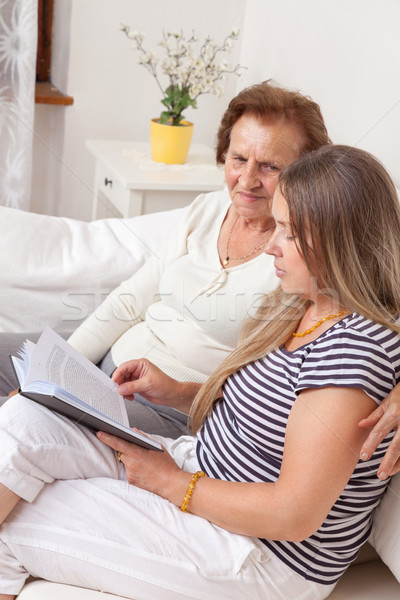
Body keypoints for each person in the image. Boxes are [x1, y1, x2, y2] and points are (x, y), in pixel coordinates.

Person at [0, 144, 399, 600]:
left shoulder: (352, 350)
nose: (270, 244)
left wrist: (171, 482)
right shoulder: (300, 304)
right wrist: (178, 393)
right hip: (204, 472)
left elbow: (294, 514)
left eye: (287, 231)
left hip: (257, 553)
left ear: (339, 240)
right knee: (21, 423)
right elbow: (267, 418)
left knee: (20, 511)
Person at [0, 81, 399, 470]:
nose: (246, 180)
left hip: (174, 409)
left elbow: (378, 309)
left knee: (32, 420)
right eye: (238, 159)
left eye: (270, 166)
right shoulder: (208, 209)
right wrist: (67, 363)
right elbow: (131, 299)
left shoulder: (306, 259)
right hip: (108, 366)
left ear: (306, 174)